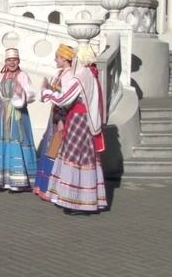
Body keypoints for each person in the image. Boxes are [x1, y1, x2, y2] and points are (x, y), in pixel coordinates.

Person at [41, 45, 107, 215]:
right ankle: (87, 201)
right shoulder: (92, 75)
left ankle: (74, 201)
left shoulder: (81, 76)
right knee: (86, 159)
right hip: (86, 121)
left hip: (78, 120)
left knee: (74, 159)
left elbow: (64, 98)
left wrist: (46, 92)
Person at [0, 48, 37, 193]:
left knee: (17, 141)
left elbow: (32, 94)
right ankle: (4, 180)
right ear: (5, 61)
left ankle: (19, 180)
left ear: (18, 61)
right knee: (4, 142)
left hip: (18, 114)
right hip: (3, 113)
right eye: (9, 60)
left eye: (14, 60)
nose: (12, 63)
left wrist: (20, 92)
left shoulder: (22, 76)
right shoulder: (1, 76)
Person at [34, 44, 75, 201]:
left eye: (57, 57)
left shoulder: (69, 76)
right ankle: (42, 185)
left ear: (65, 59)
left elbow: (66, 100)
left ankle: (51, 188)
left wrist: (61, 120)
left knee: (56, 150)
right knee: (49, 148)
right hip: (54, 116)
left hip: (60, 118)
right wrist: (48, 87)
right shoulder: (60, 73)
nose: (55, 59)